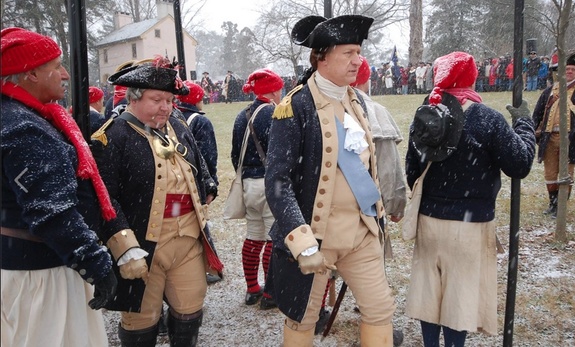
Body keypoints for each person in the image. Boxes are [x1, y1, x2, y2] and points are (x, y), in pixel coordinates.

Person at [265, 15, 397, 346]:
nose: (358, 60)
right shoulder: (294, 106)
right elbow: (278, 181)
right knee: (302, 318)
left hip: (359, 231)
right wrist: (300, 238)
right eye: (349, 53)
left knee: (380, 309)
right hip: (315, 234)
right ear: (322, 57)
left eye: (359, 52)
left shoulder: (355, 101)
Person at [404, 51, 535, 347]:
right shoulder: (487, 119)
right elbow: (520, 164)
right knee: (458, 300)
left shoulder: (425, 112)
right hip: (468, 224)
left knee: (430, 294)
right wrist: (524, 124)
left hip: (429, 221)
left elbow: (412, 170)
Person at [91, 55, 221, 347]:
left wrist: (207, 186)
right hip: (143, 244)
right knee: (141, 320)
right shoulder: (112, 137)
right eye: (156, 99)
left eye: (169, 100)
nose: (165, 107)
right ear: (134, 99)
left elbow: (198, 163)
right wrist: (124, 249)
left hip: (187, 239)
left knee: (190, 311)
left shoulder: (178, 125)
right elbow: (103, 198)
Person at [1, 27, 117, 346]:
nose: (65, 74)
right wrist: (95, 261)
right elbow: (52, 212)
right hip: (40, 275)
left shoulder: (16, 117)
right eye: (55, 66)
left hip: (26, 265)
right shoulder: (25, 128)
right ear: (31, 74)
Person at [350, 55, 407, 347]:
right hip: (368, 206)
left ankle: (319, 310)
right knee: (371, 265)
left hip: (336, 208)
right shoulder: (375, 111)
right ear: (365, 79)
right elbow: (387, 168)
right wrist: (395, 204)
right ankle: (373, 317)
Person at [231, 68, 284, 310]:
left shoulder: (243, 115)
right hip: (268, 182)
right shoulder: (272, 113)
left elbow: (235, 155)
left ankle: (253, 289)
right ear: (273, 91)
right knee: (274, 238)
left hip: (248, 184)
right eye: (279, 89)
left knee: (254, 236)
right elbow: (278, 153)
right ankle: (271, 293)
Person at [176, 80, 221, 285]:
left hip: (178, 181)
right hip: (195, 179)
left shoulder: (173, 117)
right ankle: (206, 266)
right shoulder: (200, 122)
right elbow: (208, 156)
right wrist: (211, 182)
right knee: (199, 225)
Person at [531, 51, 575, 218]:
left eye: (572, 69)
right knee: (550, 173)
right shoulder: (551, 91)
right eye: (567, 69)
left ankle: (561, 205)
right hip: (549, 137)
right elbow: (538, 112)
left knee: (566, 174)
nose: (569, 72)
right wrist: (535, 129)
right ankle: (552, 204)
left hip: (570, 139)